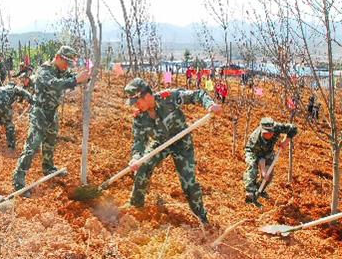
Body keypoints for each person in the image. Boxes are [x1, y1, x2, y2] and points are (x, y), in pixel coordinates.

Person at [124, 78, 222, 224]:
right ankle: (135, 205)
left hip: (181, 142)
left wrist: (210, 105)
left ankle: (202, 218)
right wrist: (136, 157)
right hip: (160, 143)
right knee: (143, 167)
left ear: (147, 96)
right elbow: (139, 142)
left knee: (188, 182)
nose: (136, 106)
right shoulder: (139, 118)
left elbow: (198, 95)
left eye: (137, 102)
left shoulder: (169, 97)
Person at [11, 46, 91, 197]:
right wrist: (75, 80)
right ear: (57, 57)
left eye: (69, 64)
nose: (67, 66)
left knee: (50, 142)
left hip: (52, 112)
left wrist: (86, 76)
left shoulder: (62, 71)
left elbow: (71, 79)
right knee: (32, 146)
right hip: (39, 113)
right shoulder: (44, 70)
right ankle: (18, 180)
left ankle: (48, 167)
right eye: (65, 62)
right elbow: (54, 84)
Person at [243, 117, 297, 207]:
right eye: (265, 133)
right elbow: (260, 158)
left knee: (269, 175)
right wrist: (263, 171)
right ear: (261, 130)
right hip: (253, 152)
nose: (268, 135)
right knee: (252, 167)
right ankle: (250, 193)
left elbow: (293, 129)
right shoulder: (255, 139)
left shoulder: (277, 127)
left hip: (268, 151)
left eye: (270, 133)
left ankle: (260, 189)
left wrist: (286, 141)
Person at [0, 82, 34, 149]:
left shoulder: (1, 88)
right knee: (9, 124)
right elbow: (26, 93)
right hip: (2, 105)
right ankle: (11, 145)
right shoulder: (15, 88)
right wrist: (32, 101)